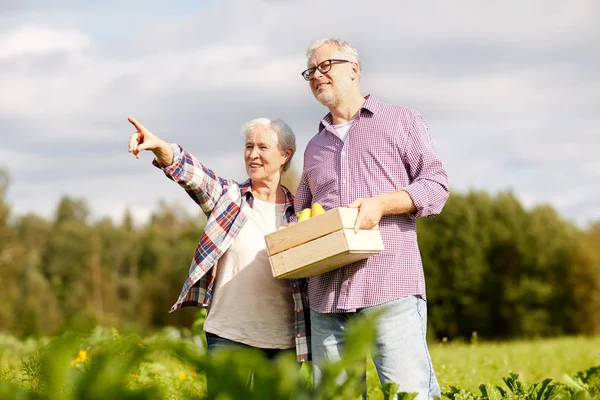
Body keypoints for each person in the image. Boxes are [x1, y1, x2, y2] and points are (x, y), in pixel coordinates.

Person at [295, 38, 449, 399]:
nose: (316, 75)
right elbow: (300, 211)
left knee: (408, 394)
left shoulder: (401, 121)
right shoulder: (314, 147)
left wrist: (381, 204)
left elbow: (436, 185)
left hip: (388, 288)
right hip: (326, 299)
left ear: (354, 69)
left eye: (324, 65)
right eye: (310, 71)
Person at [126, 116, 310, 364]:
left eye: (262, 147)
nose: (253, 154)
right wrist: (160, 147)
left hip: (282, 342)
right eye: (248, 146)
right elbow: (193, 174)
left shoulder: (299, 214)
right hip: (228, 337)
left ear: (285, 155)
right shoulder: (229, 198)